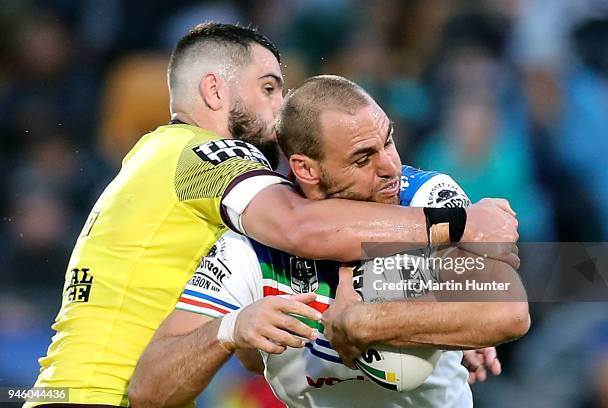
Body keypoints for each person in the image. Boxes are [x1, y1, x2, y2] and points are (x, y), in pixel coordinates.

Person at [26, 22, 517, 407]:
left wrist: (428, 325)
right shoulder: (202, 160)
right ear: (216, 93)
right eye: (269, 88)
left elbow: (507, 310)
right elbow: (301, 228)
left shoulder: (421, 190)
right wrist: (460, 227)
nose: (282, 107)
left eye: (387, 141)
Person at [128, 76, 529, 408]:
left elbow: (508, 312)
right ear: (306, 168)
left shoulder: (424, 199)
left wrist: (367, 323)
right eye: (362, 158)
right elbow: (148, 390)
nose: (390, 167)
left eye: (388, 141)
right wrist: (231, 328)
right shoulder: (250, 249)